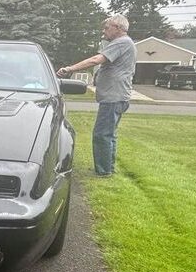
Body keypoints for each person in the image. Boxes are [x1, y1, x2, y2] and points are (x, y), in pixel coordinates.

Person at [56, 14, 136, 177]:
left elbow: (95, 60)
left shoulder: (121, 42)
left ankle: (104, 171)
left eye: (106, 28)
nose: (103, 31)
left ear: (118, 28)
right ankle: (107, 168)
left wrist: (69, 69)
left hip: (114, 97)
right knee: (109, 134)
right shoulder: (124, 43)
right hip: (117, 96)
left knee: (102, 134)